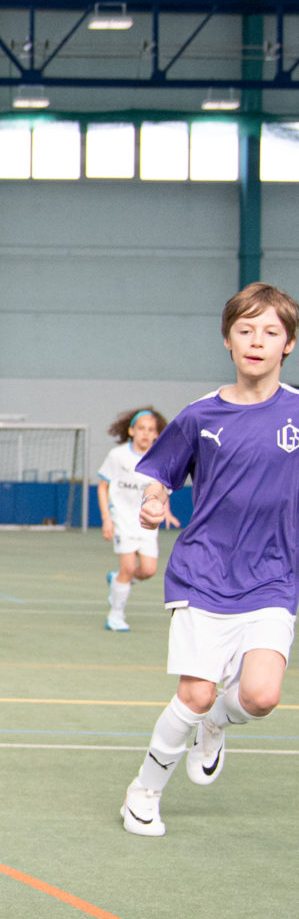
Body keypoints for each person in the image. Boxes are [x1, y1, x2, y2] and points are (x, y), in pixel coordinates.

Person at [121, 283, 299, 836]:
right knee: (195, 692)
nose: (256, 341)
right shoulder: (202, 414)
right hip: (204, 571)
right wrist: (155, 501)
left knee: (261, 696)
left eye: (270, 331)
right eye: (245, 330)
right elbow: (160, 472)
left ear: (289, 344)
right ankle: (143, 792)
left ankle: (216, 722)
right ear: (228, 340)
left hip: (274, 574)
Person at [98, 406, 177, 632]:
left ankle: (118, 581)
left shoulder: (160, 457)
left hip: (146, 521)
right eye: (141, 428)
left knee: (148, 570)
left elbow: (162, 487)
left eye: (151, 430)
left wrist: (166, 510)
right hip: (122, 519)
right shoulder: (118, 456)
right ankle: (116, 615)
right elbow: (103, 486)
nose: (145, 433)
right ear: (131, 431)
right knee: (128, 566)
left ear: (157, 434)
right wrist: (107, 519)